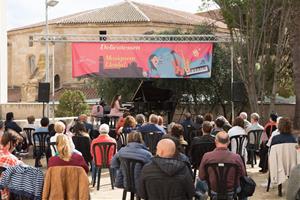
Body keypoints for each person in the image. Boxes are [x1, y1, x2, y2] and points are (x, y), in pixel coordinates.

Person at [198, 131, 246, 198]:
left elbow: (201, 176)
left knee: (199, 181)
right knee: (245, 185)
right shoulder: (237, 157)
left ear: (215, 141)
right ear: (229, 142)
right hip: (232, 190)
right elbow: (243, 174)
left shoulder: (207, 156)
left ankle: (199, 196)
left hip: (213, 190)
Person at [0, 130, 24, 199]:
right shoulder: (12, 160)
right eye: (15, 145)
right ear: (9, 143)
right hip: (6, 195)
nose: (14, 148)